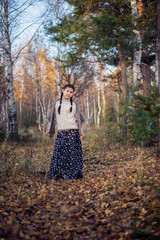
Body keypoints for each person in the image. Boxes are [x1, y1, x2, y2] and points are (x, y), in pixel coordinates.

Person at [45, 84, 85, 180]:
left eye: (71, 92)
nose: (69, 93)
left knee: (72, 155)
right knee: (59, 154)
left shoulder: (75, 104)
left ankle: (72, 173)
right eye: (67, 91)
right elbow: (52, 119)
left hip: (73, 132)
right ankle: (59, 173)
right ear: (63, 90)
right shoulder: (56, 103)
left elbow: (78, 120)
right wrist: (48, 130)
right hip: (61, 132)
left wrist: (81, 132)